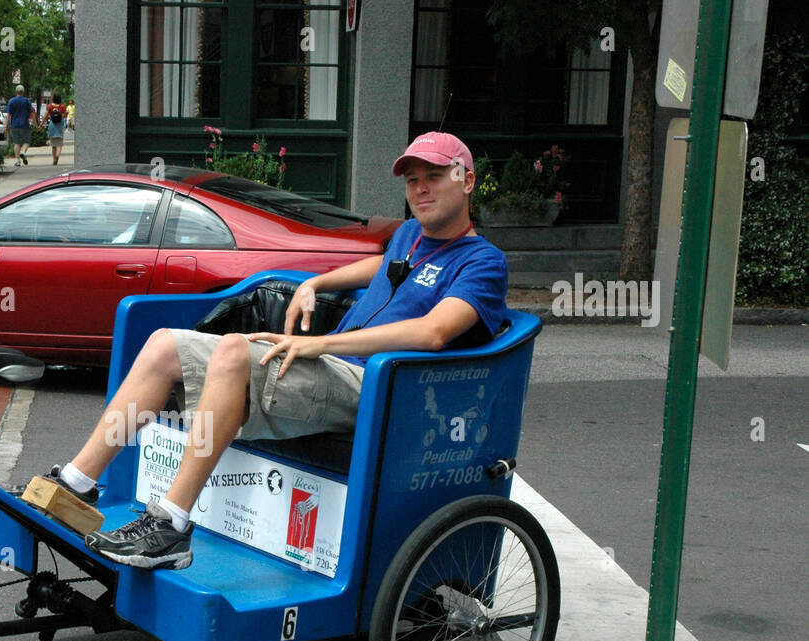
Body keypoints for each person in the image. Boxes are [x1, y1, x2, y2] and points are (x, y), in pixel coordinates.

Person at [42, 132, 508, 570]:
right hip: (332, 367)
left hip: (380, 384)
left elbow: (433, 333)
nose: (421, 189)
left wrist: (318, 343)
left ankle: (170, 526)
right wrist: (317, 283)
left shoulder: (482, 262)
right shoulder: (409, 237)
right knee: (165, 344)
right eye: (412, 181)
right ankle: (76, 487)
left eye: (434, 177)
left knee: (233, 354)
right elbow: (382, 266)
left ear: (466, 181)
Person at [6, 83, 33, 164]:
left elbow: (9, 116)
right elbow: (32, 114)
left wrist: (7, 126)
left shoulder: (11, 101)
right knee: (26, 141)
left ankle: (18, 161)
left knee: (16, 143)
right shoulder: (27, 101)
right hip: (25, 125)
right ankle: (23, 152)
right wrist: (36, 124)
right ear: (23, 91)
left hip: (14, 125)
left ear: (16, 91)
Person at [44, 93, 68, 165]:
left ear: (53, 98)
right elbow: (65, 114)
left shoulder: (49, 106)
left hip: (52, 125)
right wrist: (64, 115)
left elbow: (46, 115)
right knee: (59, 143)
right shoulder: (62, 106)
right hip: (60, 125)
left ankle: (54, 158)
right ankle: (57, 155)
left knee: (53, 144)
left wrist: (41, 124)